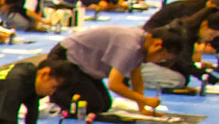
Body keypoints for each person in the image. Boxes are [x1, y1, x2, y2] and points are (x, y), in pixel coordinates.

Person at [49, 24, 179, 118]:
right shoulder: (130, 46)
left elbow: (136, 77)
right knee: (94, 105)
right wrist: (145, 100)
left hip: (83, 66)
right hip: (65, 60)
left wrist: (142, 108)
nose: (158, 61)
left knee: (105, 104)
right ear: (157, 45)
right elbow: (114, 84)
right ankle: (56, 91)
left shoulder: (142, 43)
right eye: (162, 57)